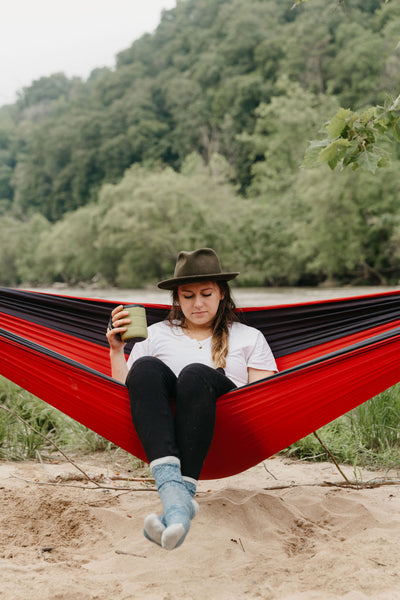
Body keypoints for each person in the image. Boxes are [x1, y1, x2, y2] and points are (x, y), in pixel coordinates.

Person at [106, 248, 277, 550]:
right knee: (144, 368)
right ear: (176, 299)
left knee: (195, 374)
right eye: (187, 296)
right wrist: (116, 351)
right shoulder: (154, 335)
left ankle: (174, 499)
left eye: (206, 294)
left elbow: (264, 402)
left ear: (222, 293)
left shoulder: (249, 337)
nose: (197, 303)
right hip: (165, 432)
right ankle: (179, 504)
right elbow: (128, 393)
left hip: (226, 426)